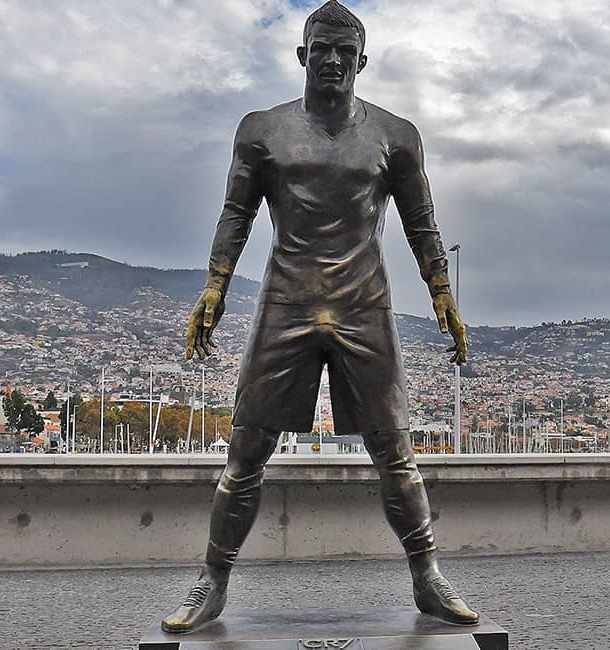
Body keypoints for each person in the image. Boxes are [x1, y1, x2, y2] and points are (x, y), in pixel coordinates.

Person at [163, 1, 477, 633]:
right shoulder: (262, 130)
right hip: (287, 302)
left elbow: (422, 221)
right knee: (246, 451)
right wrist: (213, 289)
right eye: (321, 47)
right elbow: (235, 213)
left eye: (345, 49)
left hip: (365, 304)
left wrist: (441, 291)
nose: (332, 58)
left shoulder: (396, 135)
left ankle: (427, 576)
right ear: (302, 55)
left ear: (361, 60)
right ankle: (212, 582)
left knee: (396, 452)